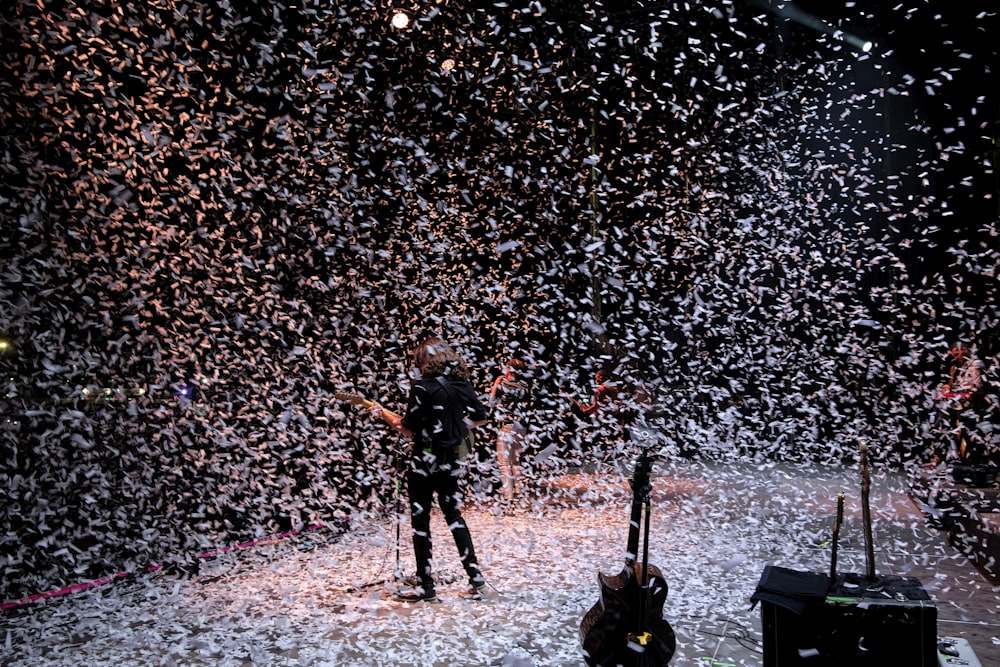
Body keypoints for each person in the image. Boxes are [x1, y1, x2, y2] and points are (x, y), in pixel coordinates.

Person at [370, 334, 490, 602]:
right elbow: (481, 417)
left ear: (423, 360)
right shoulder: (460, 383)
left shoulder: (421, 387)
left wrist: (382, 413)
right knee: (454, 515)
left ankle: (428, 588)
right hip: (451, 459)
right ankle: (477, 580)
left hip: (424, 460)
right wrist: (456, 428)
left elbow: (407, 429)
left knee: (420, 521)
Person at [489, 357, 533, 503]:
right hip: (521, 427)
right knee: (516, 462)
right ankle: (520, 493)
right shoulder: (525, 385)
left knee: (504, 463)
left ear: (508, 369)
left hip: (506, 426)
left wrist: (495, 384)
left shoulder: (503, 384)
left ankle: (509, 497)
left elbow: (491, 403)